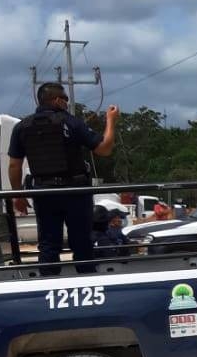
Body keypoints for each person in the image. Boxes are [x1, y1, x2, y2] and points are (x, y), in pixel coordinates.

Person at [8, 82, 118, 275]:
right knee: (82, 243)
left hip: (43, 192)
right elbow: (104, 148)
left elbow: (14, 165)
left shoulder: (21, 127)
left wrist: (18, 195)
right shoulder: (72, 123)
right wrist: (111, 120)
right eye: (65, 99)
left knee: (48, 245)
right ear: (58, 100)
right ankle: (88, 287)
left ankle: (49, 289)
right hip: (74, 192)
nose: (67, 104)